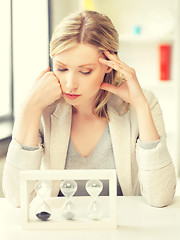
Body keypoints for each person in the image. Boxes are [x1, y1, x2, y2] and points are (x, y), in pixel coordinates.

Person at [2, 10, 176, 207]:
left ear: (109, 65)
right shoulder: (44, 107)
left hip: (123, 229)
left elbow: (160, 197)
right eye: (62, 68)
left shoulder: (142, 103)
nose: (70, 84)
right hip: (60, 228)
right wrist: (29, 108)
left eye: (85, 71)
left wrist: (141, 105)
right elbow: (16, 198)